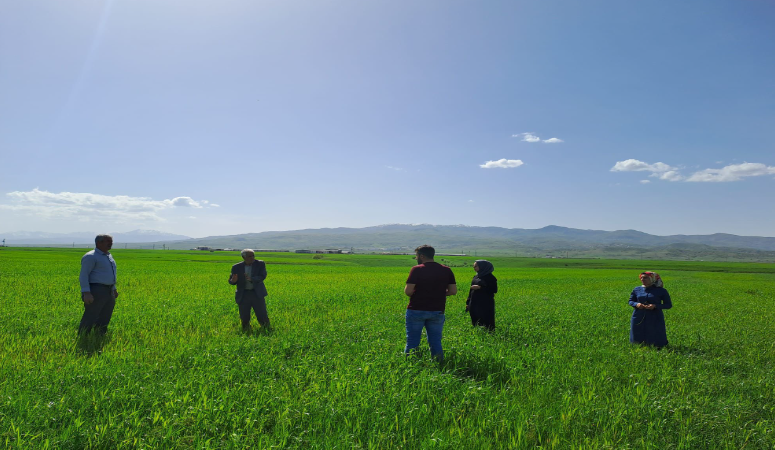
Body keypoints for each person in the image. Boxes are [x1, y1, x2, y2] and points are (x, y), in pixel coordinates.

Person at [403, 245, 457, 361]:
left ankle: (410, 365)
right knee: (435, 341)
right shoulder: (446, 270)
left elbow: (408, 291)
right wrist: (439, 293)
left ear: (422, 256)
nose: (416, 258)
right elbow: (453, 291)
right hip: (437, 310)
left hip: (416, 309)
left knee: (412, 340)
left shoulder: (417, 269)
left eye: (416, 256)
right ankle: (438, 364)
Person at [78, 234, 118, 334]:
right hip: (96, 290)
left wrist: (113, 288)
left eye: (111, 241)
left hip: (109, 290)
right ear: (99, 243)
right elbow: (83, 275)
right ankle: (83, 336)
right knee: (91, 315)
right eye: (108, 241)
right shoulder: (91, 256)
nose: (111, 243)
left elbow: (109, 274)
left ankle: (99, 336)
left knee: (105, 315)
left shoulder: (108, 256)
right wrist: (86, 292)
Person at [229, 249, 271, 332]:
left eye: (253, 256)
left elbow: (263, 276)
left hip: (257, 294)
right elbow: (231, 280)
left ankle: (267, 330)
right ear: (243, 257)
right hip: (243, 294)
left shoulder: (260, 264)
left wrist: (252, 279)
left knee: (262, 314)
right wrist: (233, 281)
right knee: (244, 316)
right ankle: (246, 331)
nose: (252, 258)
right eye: (249, 256)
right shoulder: (236, 267)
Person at [629, 271, 672, 347]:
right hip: (638, 315)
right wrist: (637, 304)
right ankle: (638, 347)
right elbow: (631, 301)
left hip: (655, 316)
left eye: (645, 278)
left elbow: (668, 305)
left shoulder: (661, 291)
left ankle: (658, 347)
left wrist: (655, 306)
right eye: (641, 277)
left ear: (652, 279)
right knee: (637, 332)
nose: (642, 279)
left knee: (655, 332)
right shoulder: (637, 289)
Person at [466, 260, 497, 331]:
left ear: (483, 267)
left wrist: (480, 287)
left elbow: (494, 290)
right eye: (473, 266)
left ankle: (489, 335)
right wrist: (468, 302)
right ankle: (478, 333)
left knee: (486, 320)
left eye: (476, 266)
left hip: (485, 303)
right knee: (475, 319)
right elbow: (471, 290)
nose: (474, 268)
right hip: (474, 302)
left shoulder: (490, 278)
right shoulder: (476, 277)